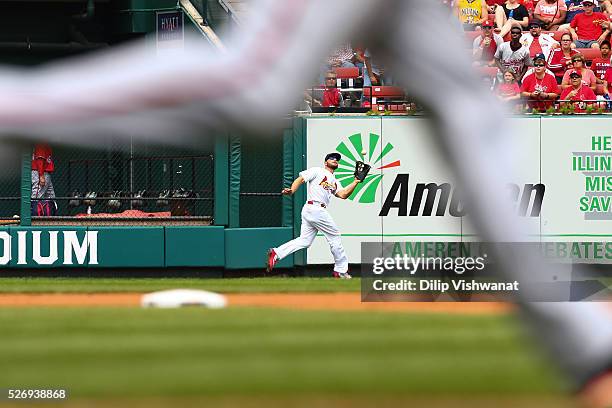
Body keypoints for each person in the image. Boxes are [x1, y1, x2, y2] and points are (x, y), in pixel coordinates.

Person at [0, 2, 609, 406]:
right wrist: (325, 186)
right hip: (318, 207)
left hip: (321, 206)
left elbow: (332, 183)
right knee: (259, 89)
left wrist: (332, 186)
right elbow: (320, 181)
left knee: (473, 115)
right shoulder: (321, 171)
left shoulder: (325, 173)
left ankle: (588, 350)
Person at [266, 152, 361, 279]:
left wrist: (356, 182)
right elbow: (301, 178)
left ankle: (276, 253)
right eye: (331, 158)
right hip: (315, 208)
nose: (335, 160)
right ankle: (341, 270)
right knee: (335, 236)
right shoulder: (318, 171)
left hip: (313, 211)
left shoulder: (335, 181)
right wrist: (292, 190)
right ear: (325, 162)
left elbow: (343, 194)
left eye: (337, 159)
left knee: (304, 241)